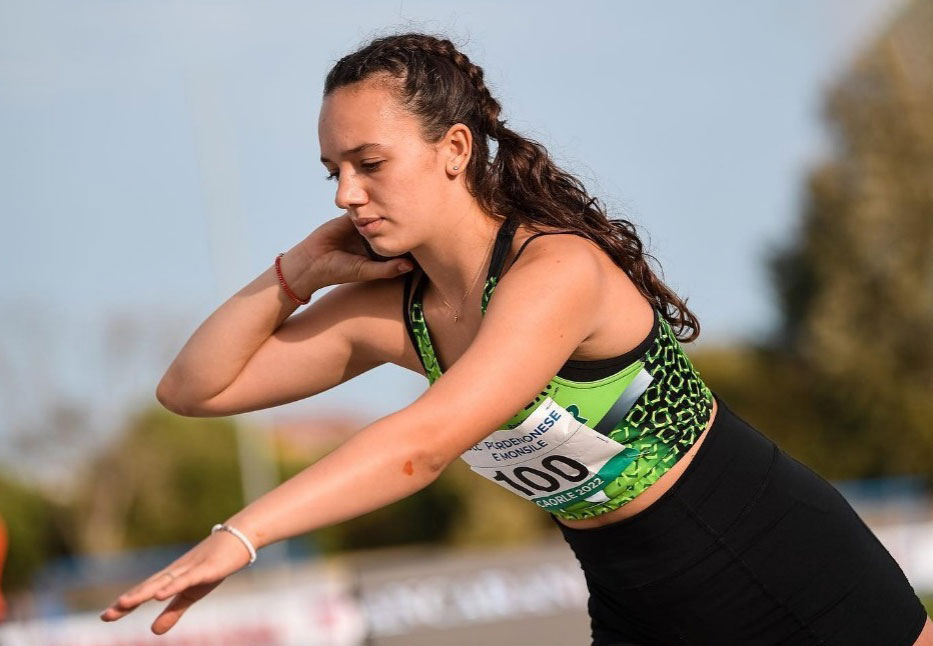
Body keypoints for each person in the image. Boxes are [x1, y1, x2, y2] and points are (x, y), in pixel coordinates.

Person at [99, 32, 932, 645]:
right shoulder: (399, 314)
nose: (348, 193)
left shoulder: (554, 271)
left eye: (369, 163)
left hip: (775, 563)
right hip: (635, 600)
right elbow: (194, 390)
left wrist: (242, 533)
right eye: (333, 173)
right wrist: (295, 272)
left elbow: (422, 445)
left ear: (453, 149)